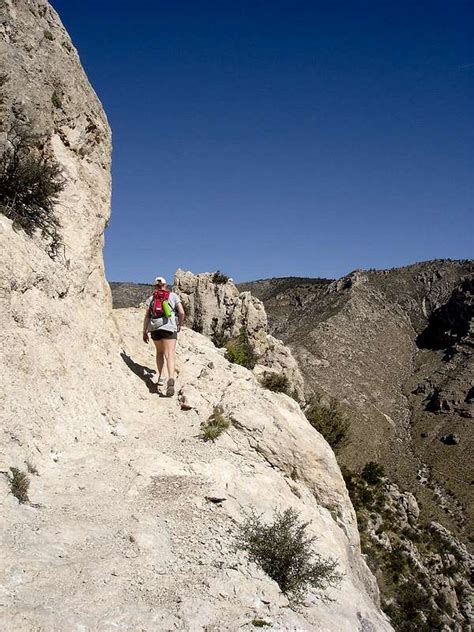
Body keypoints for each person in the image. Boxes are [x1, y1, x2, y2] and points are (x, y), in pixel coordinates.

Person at [142, 276, 185, 396]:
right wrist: (179, 324)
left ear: (155, 286)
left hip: (155, 329)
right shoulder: (173, 296)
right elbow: (181, 312)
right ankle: (171, 377)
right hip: (169, 327)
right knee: (169, 354)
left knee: (159, 352)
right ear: (166, 285)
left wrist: (144, 331)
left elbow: (146, 316)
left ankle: (161, 376)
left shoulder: (151, 299)